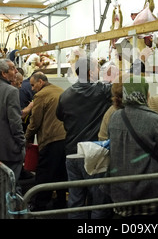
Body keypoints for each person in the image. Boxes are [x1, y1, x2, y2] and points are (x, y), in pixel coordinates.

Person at [107, 75, 158, 219]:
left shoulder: (115, 117)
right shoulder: (155, 120)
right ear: (145, 94)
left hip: (121, 191)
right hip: (149, 193)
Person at [56, 56, 113, 219]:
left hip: (72, 152)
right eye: (96, 69)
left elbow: (60, 116)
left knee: (75, 201)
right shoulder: (101, 91)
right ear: (90, 72)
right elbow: (120, 91)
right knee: (99, 202)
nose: (98, 72)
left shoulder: (65, 95)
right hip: (94, 153)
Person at [25, 72, 67, 211]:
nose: (32, 89)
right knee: (61, 172)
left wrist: (26, 137)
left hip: (50, 138)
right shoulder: (60, 91)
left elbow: (35, 122)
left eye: (33, 85)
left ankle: (39, 204)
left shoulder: (40, 95)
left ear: (41, 82)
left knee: (44, 173)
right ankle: (61, 201)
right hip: (64, 137)